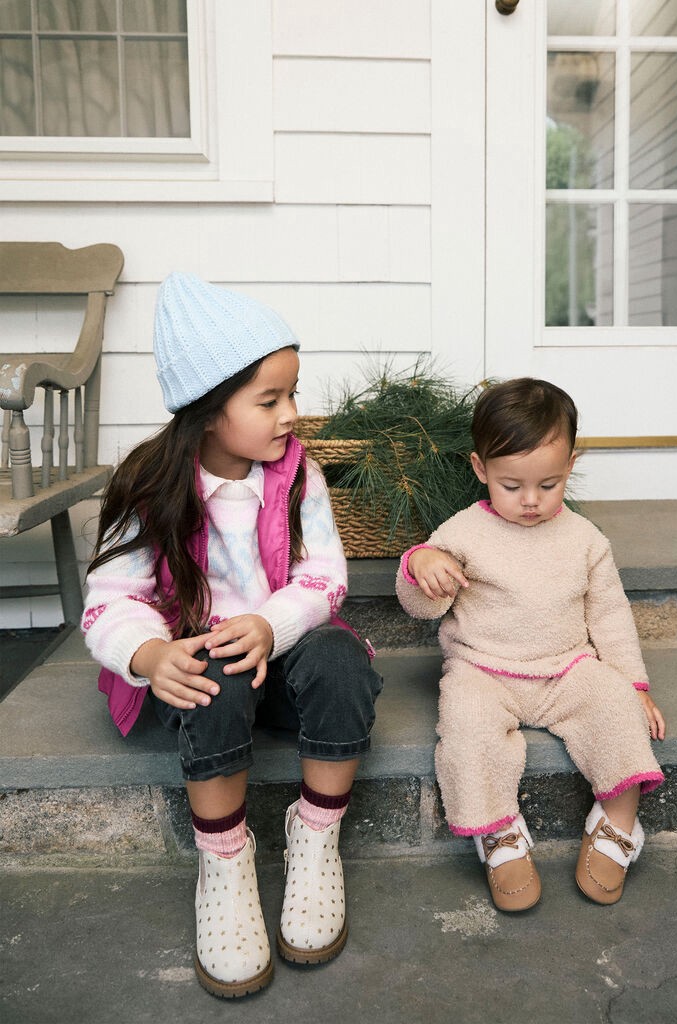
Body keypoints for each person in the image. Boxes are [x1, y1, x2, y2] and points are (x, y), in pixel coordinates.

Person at [82, 273, 382, 998]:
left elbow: (324, 579)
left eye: (292, 393)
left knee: (341, 659)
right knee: (209, 663)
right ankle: (224, 861)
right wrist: (151, 655)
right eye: (270, 400)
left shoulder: (299, 476)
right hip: (199, 676)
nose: (291, 415)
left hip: (283, 656)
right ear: (209, 410)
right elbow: (109, 601)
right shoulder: (151, 487)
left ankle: (315, 835)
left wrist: (269, 623)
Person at [395, 377, 665, 913]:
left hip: (566, 668)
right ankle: (498, 834)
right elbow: (420, 604)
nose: (531, 500)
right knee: (467, 728)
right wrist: (421, 564)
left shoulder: (585, 539)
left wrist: (633, 684)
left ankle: (616, 823)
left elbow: (609, 614)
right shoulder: (463, 531)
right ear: (480, 470)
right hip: (483, 670)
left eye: (548, 484)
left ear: (569, 468)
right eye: (512, 484)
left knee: (616, 709)